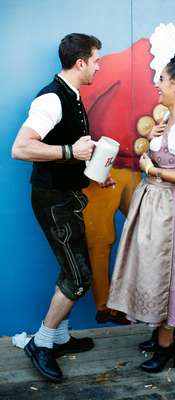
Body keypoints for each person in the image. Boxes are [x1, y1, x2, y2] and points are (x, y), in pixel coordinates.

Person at [80, 24, 175, 325]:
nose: (158, 85)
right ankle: (106, 304)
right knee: (102, 237)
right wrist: (82, 138)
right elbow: (90, 89)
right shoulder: (138, 59)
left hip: (146, 180)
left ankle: (152, 321)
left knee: (149, 254)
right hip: (107, 168)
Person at [11, 33, 106, 383]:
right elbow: (20, 148)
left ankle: (61, 338)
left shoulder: (74, 94)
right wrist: (69, 152)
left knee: (71, 271)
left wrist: (93, 173)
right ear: (80, 62)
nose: (99, 65)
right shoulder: (51, 98)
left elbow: (74, 149)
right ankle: (42, 343)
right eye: (96, 59)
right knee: (79, 277)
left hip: (67, 198)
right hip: (53, 202)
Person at [107, 51, 175, 373]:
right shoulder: (169, 120)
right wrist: (151, 141)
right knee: (154, 271)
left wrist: (151, 169)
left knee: (164, 272)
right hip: (155, 204)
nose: (155, 84)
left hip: (166, 209)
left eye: (161, 79)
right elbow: (165, 158)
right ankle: (159, 334)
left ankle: (166, 347)